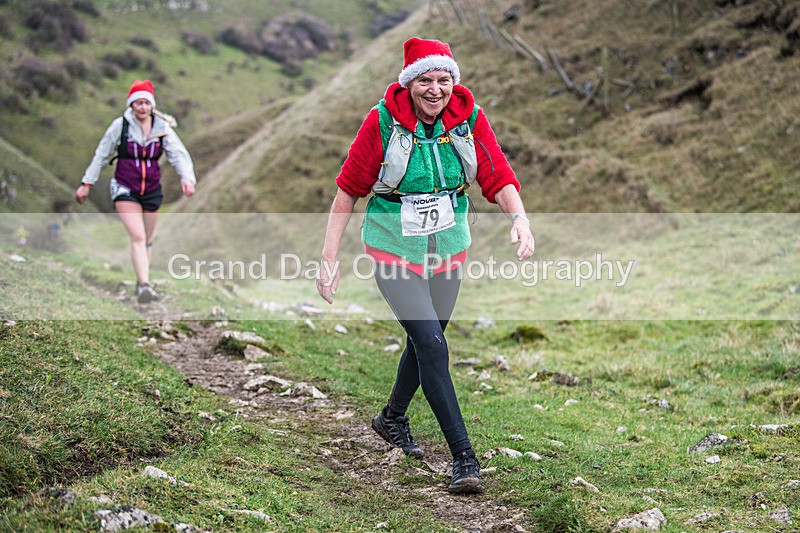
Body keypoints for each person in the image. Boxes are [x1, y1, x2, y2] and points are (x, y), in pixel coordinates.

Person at [316, 38, 534, 494]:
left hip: (448, 247)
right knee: (433, 346)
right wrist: (328, 259)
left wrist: (519, 218)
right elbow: (348, 191)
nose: (436, 90)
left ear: (454, 81)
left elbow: (497, 175)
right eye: (425, 81)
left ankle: (392, 417)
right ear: (409, 83)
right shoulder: (380, 122)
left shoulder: (469, 119)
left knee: (426, 340)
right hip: (393, 247)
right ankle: (464, 459)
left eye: (444, 80)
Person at [75, 79, 196, 304]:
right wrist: (86, 183)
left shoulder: (162, 128)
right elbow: (101, 155)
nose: (142, 107)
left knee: (147, 240)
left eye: (146, 103)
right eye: (138, 103)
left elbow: (178, 154)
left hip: (151, 189)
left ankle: (144, 281)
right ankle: (144, 286)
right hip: (125, 187)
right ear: (131, 105)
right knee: (138, 236)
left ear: (152, 105)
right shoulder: (119, 126)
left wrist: (187, 179)